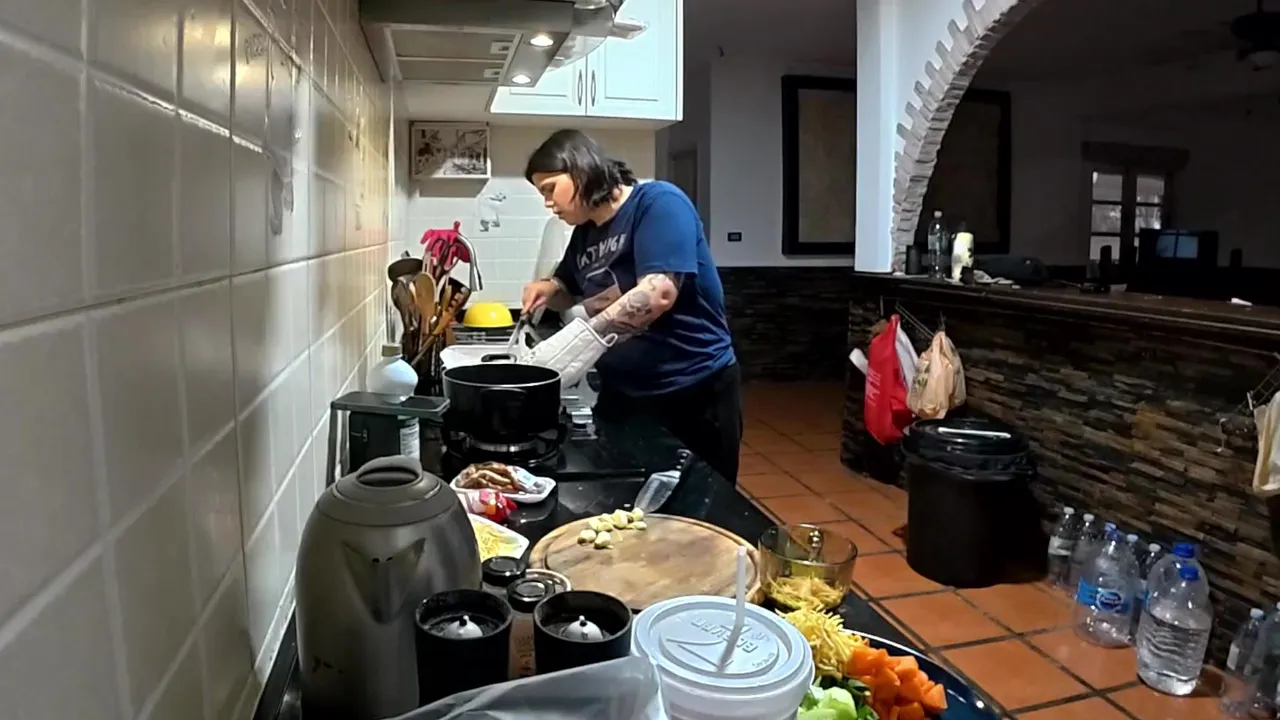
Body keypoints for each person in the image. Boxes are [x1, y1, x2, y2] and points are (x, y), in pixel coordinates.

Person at [520, 129, 742, 483]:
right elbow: (568, 289)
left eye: (550, 189)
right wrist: (549, 288)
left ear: (581, 170)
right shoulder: (585, 233)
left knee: (701, 499)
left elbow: (658, 293)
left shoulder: (658, 203)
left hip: (691, 389)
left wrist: (573, 344)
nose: (547, 202)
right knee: (624, 495)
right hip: (623, 393)